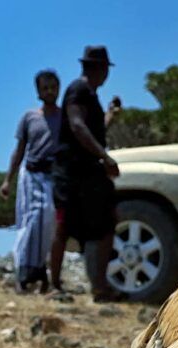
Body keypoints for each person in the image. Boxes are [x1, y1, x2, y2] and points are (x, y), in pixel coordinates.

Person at [52, 45, 122, 300]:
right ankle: (55, 285)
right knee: (64, 227)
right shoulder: (78, 90)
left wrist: (109, 117)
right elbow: (77, 126)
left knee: (103, 224)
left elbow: (89, 128)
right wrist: (105, 157)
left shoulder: (89, 94)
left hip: (87, 174)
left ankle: (100, 287)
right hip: (72, 173)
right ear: (100, 69)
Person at [0, 70, 61, 293]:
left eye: (53, 87)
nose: (50, 92)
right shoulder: (29, 117)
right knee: (32, 220)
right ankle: (23, 271)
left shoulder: (64, 118)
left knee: (48, 223)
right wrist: (8, 180)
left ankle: (39, 271)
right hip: (31, 173)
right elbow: (19, 150)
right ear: (38, 92)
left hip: (52, 176)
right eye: (45, 88)